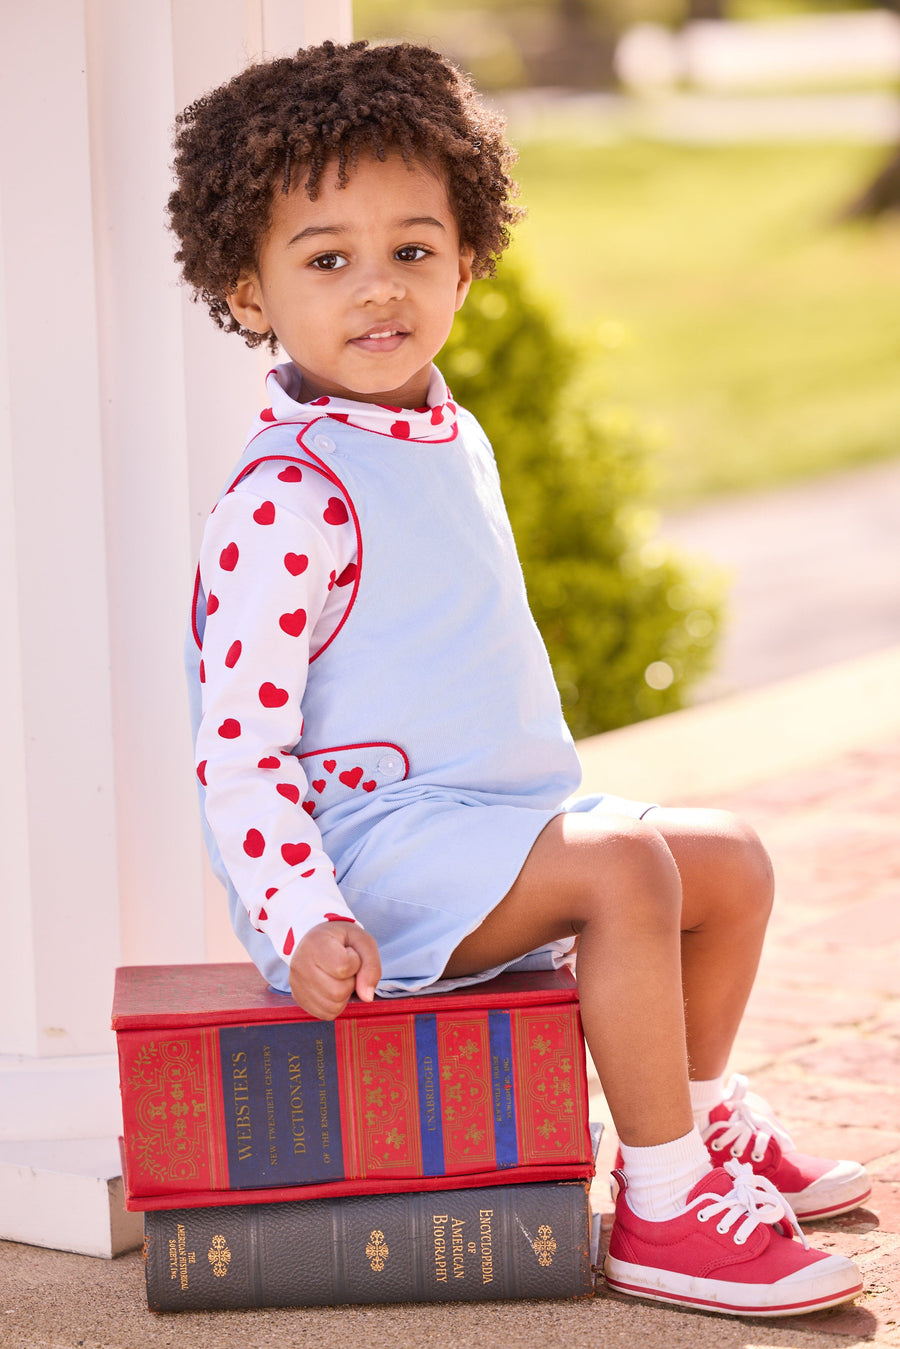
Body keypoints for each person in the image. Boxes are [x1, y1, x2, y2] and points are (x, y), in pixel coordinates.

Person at [171, 39, 868, 1316]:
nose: (377, 291)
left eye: (413, 250)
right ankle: (661, 1207)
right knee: (624, 869)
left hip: (479, 820)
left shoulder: (439, 428)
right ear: (248, 286)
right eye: (327, 259)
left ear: (471, 255)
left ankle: (702, 1120)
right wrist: (298, 916)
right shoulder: (287, 497)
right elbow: (240, 752)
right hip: (364, 863)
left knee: (729, 859)